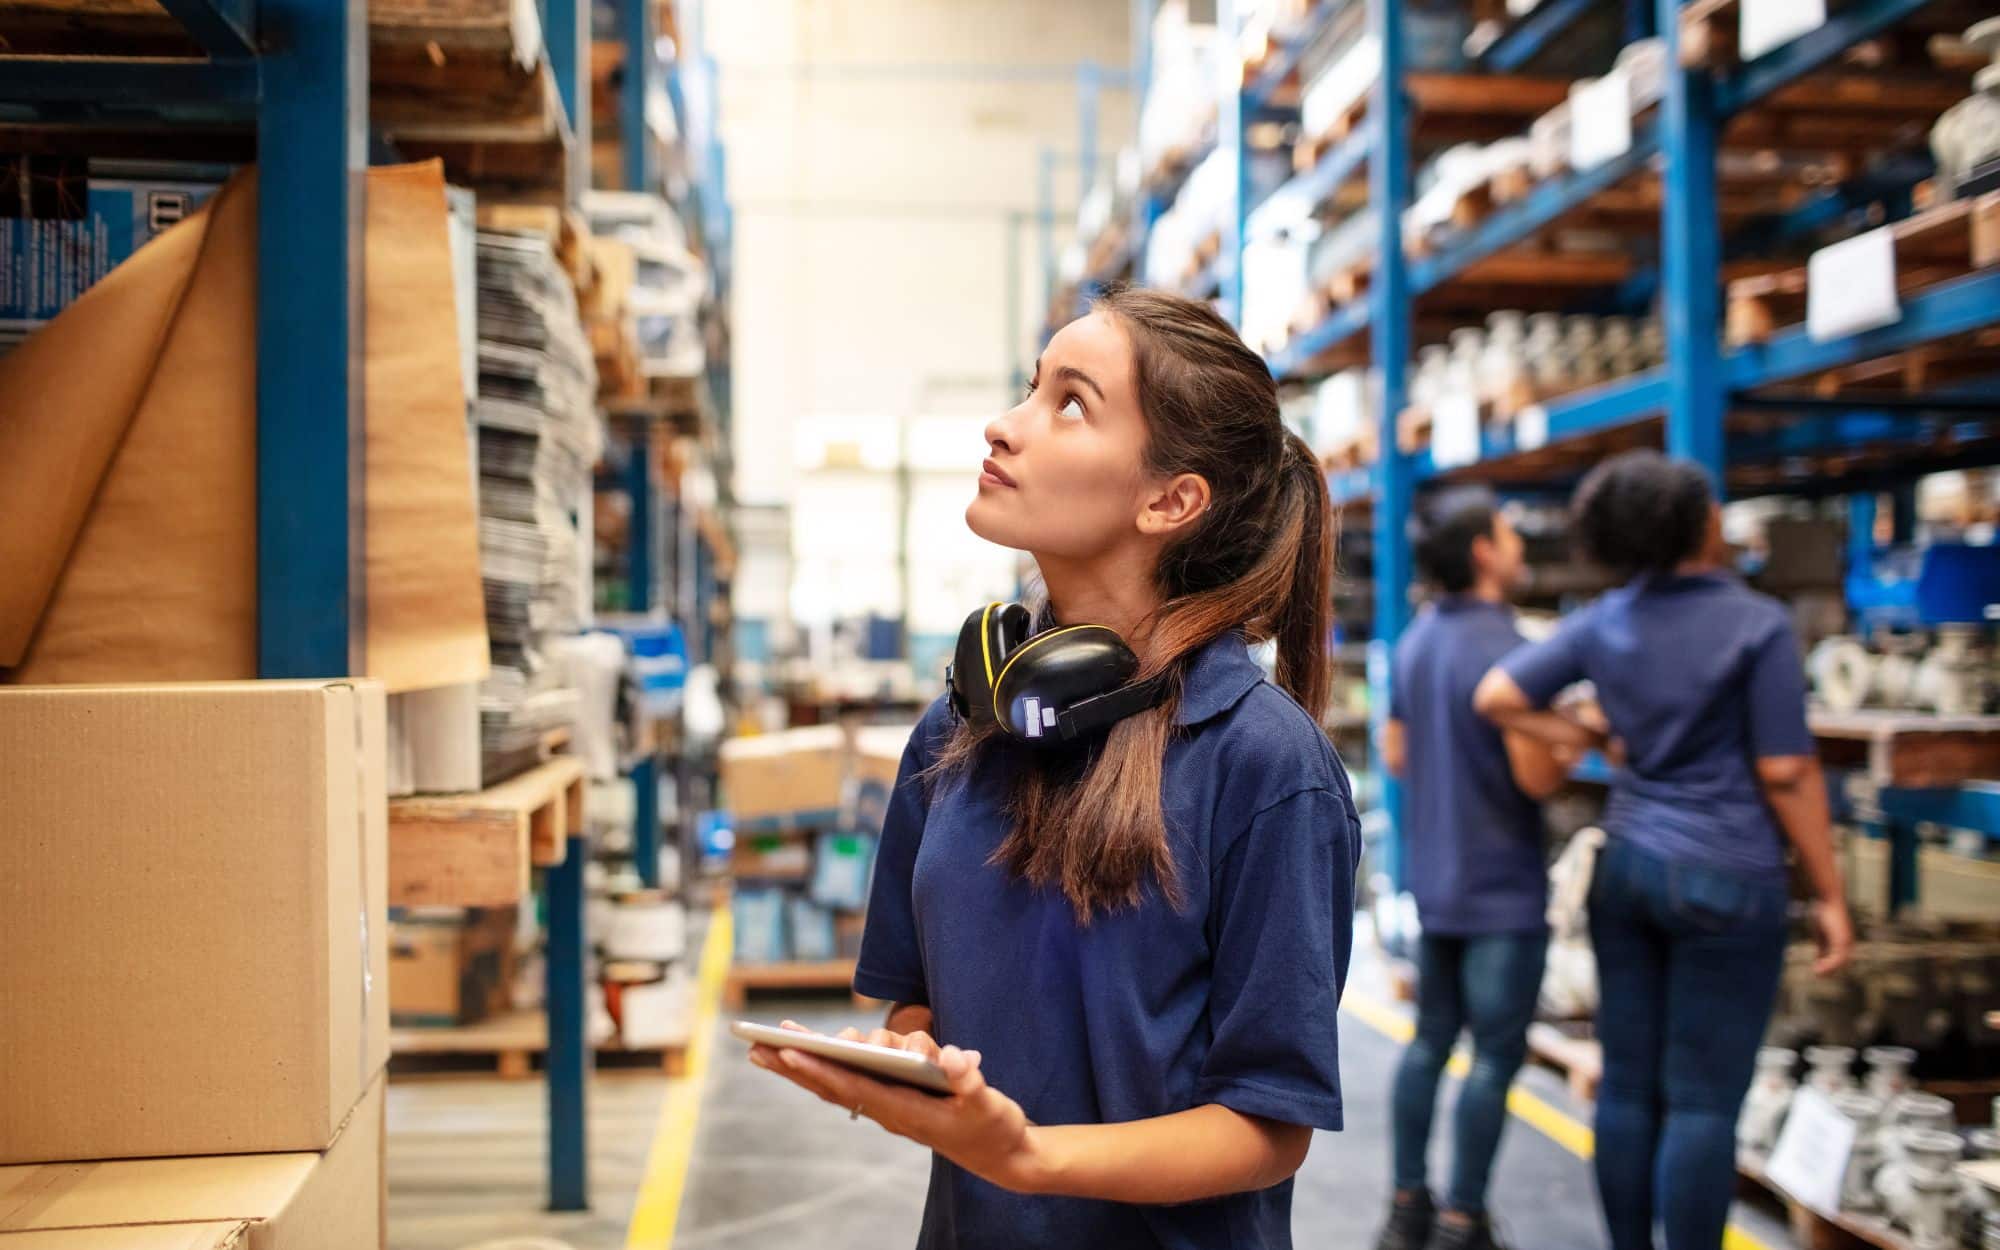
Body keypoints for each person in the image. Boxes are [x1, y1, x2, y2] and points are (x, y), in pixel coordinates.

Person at [744, 285, 1362, 1250]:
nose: (1005, 425)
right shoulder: (958, 730)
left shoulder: (1265, 767)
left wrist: (1028, 1156)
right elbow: (924, 1001)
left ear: (1170, 499)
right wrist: (915, 1067)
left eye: (1069, 403)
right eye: (1031, 388)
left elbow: (1266, 1124)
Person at [1471, 450, 1853, 1250]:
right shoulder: (1756, 624)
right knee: (1704, 1102)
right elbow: (1786, 771)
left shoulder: (1606, 620)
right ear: (1699, 524)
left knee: (1629, 1088)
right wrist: (1830, 894)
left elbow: (1499, 695)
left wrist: (1585, 733)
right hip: (1727, 877)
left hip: (1630, 868)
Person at [1372, 487, 1572, 1250]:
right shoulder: (1515, 647)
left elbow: (1395, 753)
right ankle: (1464, 1219)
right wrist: (1571, 739)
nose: (1519, 548)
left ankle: (1405, 1208)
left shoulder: (1418, 638)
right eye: (1510, 536)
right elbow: (1535, 778)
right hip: (1502, 885)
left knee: (1429, 1042)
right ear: (1485, 553)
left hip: (1438, 876)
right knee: (1494, 1056)